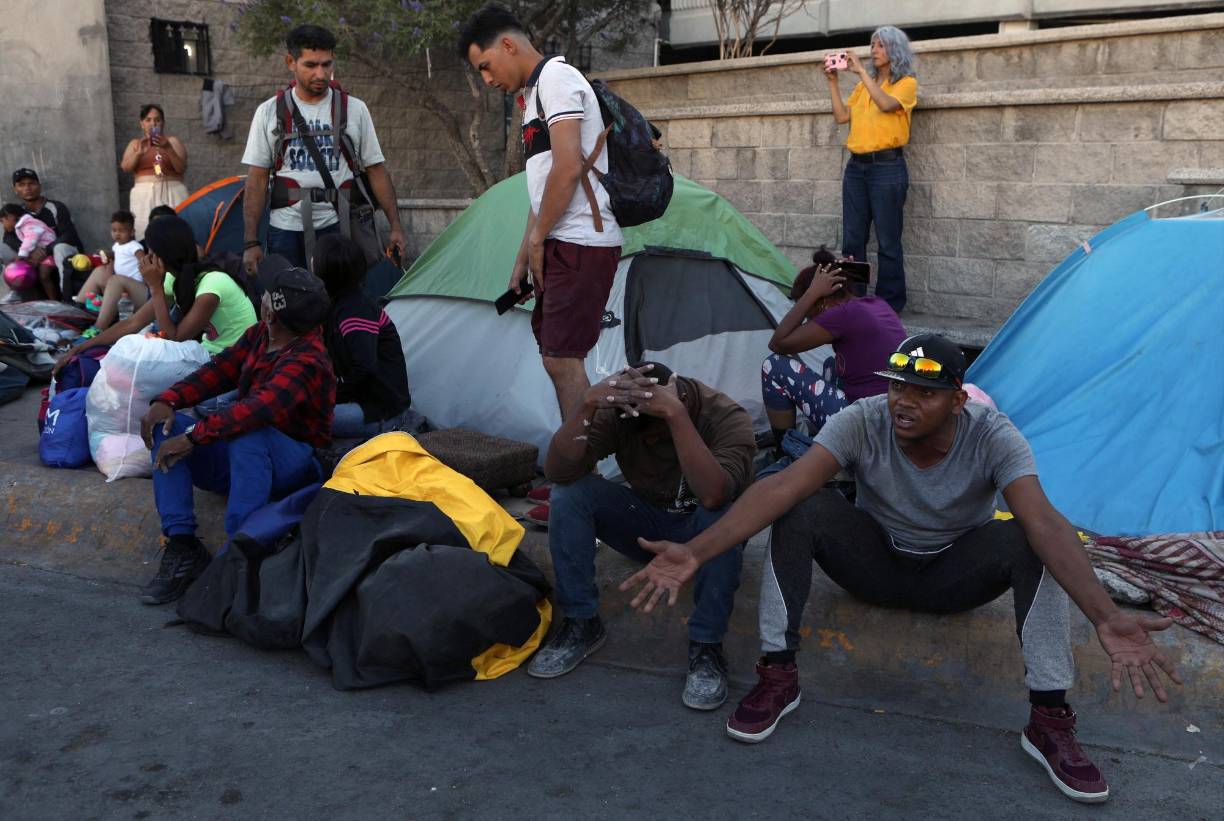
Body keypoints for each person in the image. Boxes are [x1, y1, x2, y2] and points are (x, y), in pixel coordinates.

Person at [621, 335, 1183, 803]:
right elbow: (784, 485)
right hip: (875, 561)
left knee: (1026, 539)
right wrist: (697, 551)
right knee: (800, 505)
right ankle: (778, 674)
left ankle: (1049, 718)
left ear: (958, 401)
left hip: (953, 573)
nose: (903, 402)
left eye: (923, 392)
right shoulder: (862, 420)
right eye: (896, 386)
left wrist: (1106, 616)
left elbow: (1045, 521)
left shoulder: (993, 435)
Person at [458, 4, 623, 524]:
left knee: (562, 359)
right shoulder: (534, 96)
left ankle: (582, 489)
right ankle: (575, 478)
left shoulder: (556, 77)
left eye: (485, 66)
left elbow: (571, 166)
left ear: (507, 46)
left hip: (582, 242)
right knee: (559, 357)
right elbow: (543, 184)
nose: (487, 80)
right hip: (559, 241)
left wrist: (539, 240)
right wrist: (523, 255)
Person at [530, 362, 756, 711]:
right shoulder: (624, 412)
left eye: (658, 426)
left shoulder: (724, 416)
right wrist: (586, 405)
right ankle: (581, 621)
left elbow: (714, 496)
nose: (651, 439)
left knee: (721, 515)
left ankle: (707, 646)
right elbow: (559, 472)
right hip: (648, 525)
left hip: (707, 535)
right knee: (569, 495)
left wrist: (676, 417)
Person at [137, 264, 336, 605]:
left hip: (294, 469)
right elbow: (218, 371)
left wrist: (194, 437)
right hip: (247, 462)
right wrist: (168, 399)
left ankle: (236, 556)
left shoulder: (307, 360)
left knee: (248, 432)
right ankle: (183, 545)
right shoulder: (260, 335)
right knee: (167, 426)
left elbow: (257, 410)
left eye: (266, 298)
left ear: (272, 311)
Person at [241, 25, 407, 273]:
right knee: (293, 304)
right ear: (291, 62)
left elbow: (376, 169)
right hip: (286, 230)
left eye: (326, 64)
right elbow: (256, 179)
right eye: (310, 65)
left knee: (341, 301)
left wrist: (395, 227)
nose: (321, 74)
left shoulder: (355, 109)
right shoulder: (268, 112)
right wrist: (251, 241)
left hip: (340, 228)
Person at [53, 216, 257, 370]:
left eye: (151, 250)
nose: (147, 256)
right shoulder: (173, 277)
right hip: (210, 353)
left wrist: (155, 287)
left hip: (235, 360)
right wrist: (83, 347)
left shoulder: (213, 283)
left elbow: (174, 338)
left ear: (163, 252)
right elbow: (133, 323)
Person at [762, 246, 905, 452]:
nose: (808, 319)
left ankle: (785, 450)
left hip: (863, 428)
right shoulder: (876, 303)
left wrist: (811, 293)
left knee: (774, 366)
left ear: (822, 301)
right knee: (831, 365)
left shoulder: (842, 314)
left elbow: (778, 344)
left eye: (808, 310)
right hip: (888, 420)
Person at [825, 27, 918, 313]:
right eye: (872, 45)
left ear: (895, 50)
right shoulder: (863, 86)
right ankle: (853, 301)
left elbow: (887, 104)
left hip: (887, 168)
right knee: (853, 240)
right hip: (857, 169)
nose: (874, 50)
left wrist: (862, 74)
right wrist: (833, 82)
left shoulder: (906, 83)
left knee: (888, 240)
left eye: (881, 45)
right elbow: (842, 117)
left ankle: (889, 306)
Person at [312, 234, 414, 437]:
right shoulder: (338, 305)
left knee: (301, 420)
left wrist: (331, 395)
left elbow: (365, 367)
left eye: (315, 258)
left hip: (380, 412)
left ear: (325, 271)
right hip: (363, 402)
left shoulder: (355, 310)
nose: (311, 261)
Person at [5, 168, 83, 300]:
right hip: (34, 257)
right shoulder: (17, 212)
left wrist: (46, 250)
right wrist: (30, 251)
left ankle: (68, 298)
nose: (27, 188)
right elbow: (8, 237)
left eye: (31, 183)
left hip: (59, 254)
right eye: (21, 185)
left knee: (60, 248)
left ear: (39, 186)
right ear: (15, 190)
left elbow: (69, 235)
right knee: (4, 250)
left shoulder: (55, 207)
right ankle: (17, 296)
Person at [71, 210, 149, 338]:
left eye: (121, 231)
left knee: (115, 279)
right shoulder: (116, 246)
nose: (117, 234)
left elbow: (143, 260)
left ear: (132, 232)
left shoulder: (134, 246)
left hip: (133, 286)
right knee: (99, 271)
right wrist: (108, 257)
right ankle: (77, 309)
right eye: (114, 230)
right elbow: (116, 258)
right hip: (118, 285)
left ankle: (98, 328)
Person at [119, 104, 189, 238]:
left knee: (176, 232)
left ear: (163, 123)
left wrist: (168, 148)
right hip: (144, 193)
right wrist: (138, 154)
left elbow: (181, 168)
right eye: (148, 120)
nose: (153, 123)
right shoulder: (135, 144)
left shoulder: (172, 141)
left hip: (173, 190)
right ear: (142, 124)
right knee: (144, 232)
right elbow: (125, 167)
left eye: (157, 120)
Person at [0, 204, 58, 297]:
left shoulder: (28, 224)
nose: (3, 225)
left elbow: (31, 239)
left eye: (2, 221)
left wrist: (22, 254)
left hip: (50, 252)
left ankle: (54, 301)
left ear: (10, 217)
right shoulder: (21, 226)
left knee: (44, 275)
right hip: (43, 253)